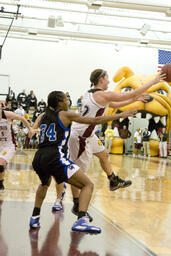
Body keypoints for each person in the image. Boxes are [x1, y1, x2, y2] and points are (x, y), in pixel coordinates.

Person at [29, 90, 136, 233]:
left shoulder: (42, 116)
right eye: (66, 99)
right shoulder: (65, 115)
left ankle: (35, 217)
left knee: (44, 184)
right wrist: (121, 115)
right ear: (60, 102)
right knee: (88, 185)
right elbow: (94, 121)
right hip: (54, 157)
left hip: (38, 157)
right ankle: (81, 219)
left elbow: (32, 131)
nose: (68, 101)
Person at [68, 69, 165, 216]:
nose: (109, 81)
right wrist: (154, 81)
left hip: (89, 133)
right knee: (78, 172)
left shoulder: (91, 93)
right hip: (81, 136)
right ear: (101, 79)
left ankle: (113, 180)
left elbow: (114, 104)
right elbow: (129, 94)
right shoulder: (103, 94)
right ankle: (77, 204)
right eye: (107, 78)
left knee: (104, 155)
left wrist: (136, 100)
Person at [0, 108, 34, 192]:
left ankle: (0, 185)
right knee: (1, 165)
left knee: (1, 162)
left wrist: (30, 129)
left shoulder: (7, 114)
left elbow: (22, 118)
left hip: (8, 145)